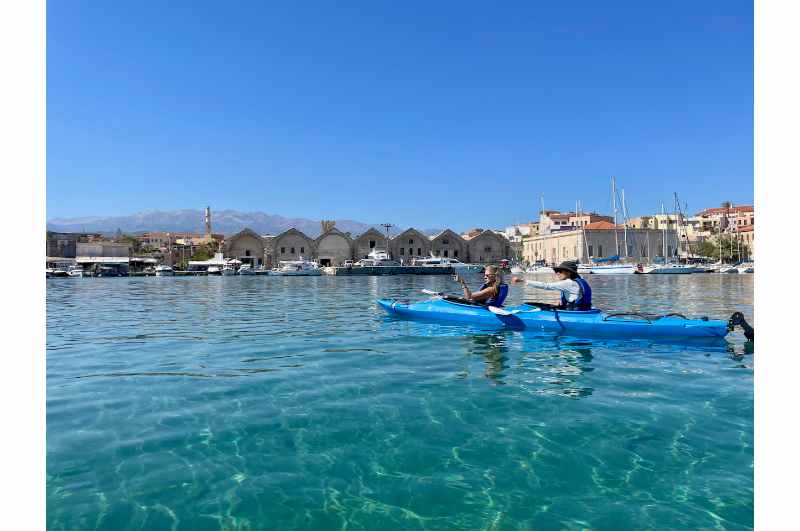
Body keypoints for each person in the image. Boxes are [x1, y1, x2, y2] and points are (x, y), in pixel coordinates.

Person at [511, 261, 592, 310]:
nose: (557, 273)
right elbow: (574, 297)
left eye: (560, 271)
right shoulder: (578, 281)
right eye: (557, 271)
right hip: (585, 310)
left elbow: (546, 286)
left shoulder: (568, 283)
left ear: (569, 272)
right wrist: (562, 302)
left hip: (576, 314)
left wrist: (522, 280)